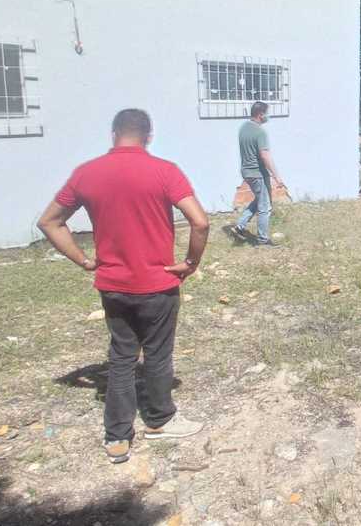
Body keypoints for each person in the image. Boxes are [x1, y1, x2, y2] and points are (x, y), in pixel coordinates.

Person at [37, 109, 210, 464]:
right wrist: (191, 263)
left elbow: (49, 221)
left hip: (113, 285)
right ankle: (160, 420)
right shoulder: (165, 171)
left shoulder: (86, 173)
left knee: (121, 357)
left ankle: (117, 437)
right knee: (157, 355)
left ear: (113, 133)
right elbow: (200, 222)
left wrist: (83, 260)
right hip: (158, 284)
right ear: (149, 136)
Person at [229, 101, 285, 246]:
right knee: (265, 207)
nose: (268, 116)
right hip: (258, 173)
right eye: (267, 113)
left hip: (246, 172)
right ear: (260, 114)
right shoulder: (260, 132)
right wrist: (276, 176)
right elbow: (265, 155)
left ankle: (240, 226)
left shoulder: (243, 128)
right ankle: (263, 240)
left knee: (259, 200)